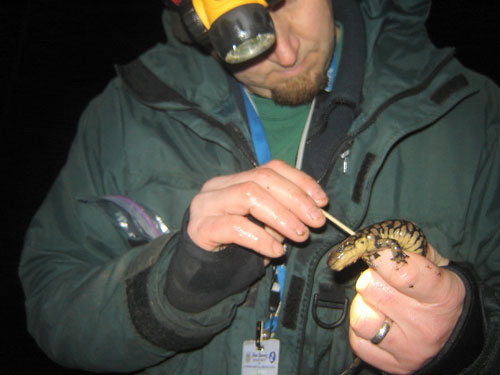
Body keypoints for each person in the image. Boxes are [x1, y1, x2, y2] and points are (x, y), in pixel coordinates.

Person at [19, 0, 499, 374]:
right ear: (194, 19)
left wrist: (469, 343)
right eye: (240, 25)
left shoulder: (474, 113)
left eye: (285, 1)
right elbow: (50, 304)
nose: (282, 51)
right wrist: (175, 288)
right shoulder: (125, 112)